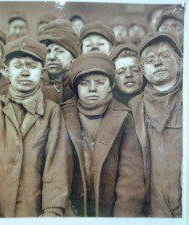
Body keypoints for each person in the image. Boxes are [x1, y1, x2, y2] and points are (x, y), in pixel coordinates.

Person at [0, 36, 73, 218]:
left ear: (43, 71)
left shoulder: (52, 112)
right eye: (17, 66)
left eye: (32, 66)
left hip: (36, 214)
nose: (25, 73)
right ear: (6, 70)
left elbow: (56, 168)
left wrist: (52, 213)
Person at [62, 53, 145, 217]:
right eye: (84, 83)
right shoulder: (61, 115)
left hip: (110, 212)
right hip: (72, 212)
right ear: (76, 87)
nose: (92, 88)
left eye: (100, 82)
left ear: (110, 85)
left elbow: (131, 180)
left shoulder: (124, 118)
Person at [129, 32, 183, 217]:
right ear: (143, 71)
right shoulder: (134, 106)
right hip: (152, 209)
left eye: (165, 56)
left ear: (181, 63)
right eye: (150, 59)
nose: (157, 62)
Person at [38, 19, 80, 104]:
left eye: (59, 51)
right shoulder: (35, 86)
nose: (51, 57)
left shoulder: (81, 84)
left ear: (73, 56)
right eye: (48, 51)